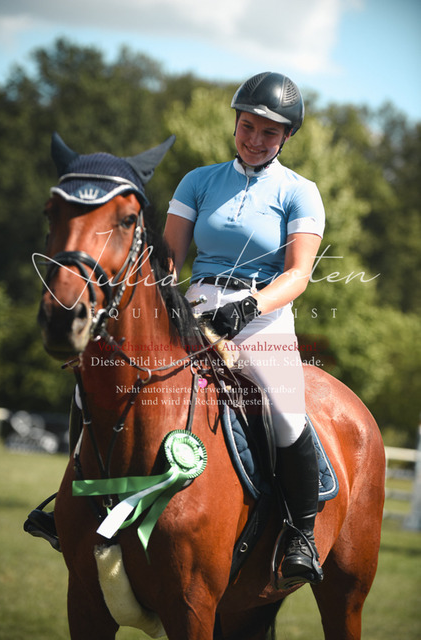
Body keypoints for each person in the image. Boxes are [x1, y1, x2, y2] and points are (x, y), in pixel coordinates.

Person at [163, 71, 325, 585]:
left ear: (287, 136)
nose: (255, 139)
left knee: (285, 412)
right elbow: (170, 258)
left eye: (269, 132)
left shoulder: (300, 192)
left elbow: (298, 274)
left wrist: (249, 306)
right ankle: (73, 504)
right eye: (247, 127)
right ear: (236, 123)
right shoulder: (198, 181)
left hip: (263, 316)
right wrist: (167, 302)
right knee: (115, 374)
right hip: (193, 306)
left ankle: (301, 534)